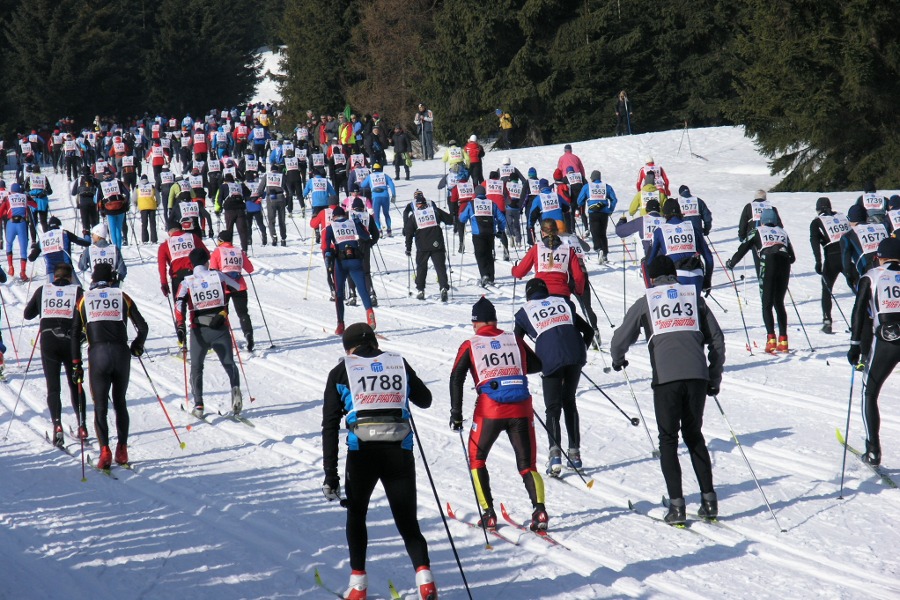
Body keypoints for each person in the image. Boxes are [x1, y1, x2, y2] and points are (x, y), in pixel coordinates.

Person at [321, 323, 438, 600]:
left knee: (357, 514)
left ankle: (358, 586)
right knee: (407, 520)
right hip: (399, 450)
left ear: (348, 348)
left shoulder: (340, 371)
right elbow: (426, 399)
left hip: (362, 452)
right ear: (374, 342)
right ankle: (425, 581)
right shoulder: (398, 363)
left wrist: (331, 475)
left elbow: (329, 425)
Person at [610, 255, 725, 524]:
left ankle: (677, 507)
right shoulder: (694, 299)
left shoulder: (647, 302)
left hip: (666, 380)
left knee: (669, 440)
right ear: (674, 274)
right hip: (697, 376)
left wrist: (618, 359)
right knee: (694, 435)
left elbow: (619, 341)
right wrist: (713, 376)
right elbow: (717, 340)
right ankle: (709, 502)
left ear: (650, 277)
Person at [450, 297, 548, 531]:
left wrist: (456, 413)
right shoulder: (513, 339)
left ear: (476, 323)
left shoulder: (470, 344)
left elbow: (456, 377)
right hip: (521, 407)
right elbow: (536, 365)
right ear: (494, 320)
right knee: (527, 465)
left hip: (490, 410)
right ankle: (540, 511)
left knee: (477, 459)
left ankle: (488, 514)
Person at [71, 263, 149, 470]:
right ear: (112, 279)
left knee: (100, 406)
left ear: (94, 281)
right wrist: (137, 345)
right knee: (120, 402)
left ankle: (105, 450)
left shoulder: (84, 299)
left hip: (98, 354)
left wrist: (76, 364)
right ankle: (122, 450)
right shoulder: (122, 296)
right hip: (121, 353)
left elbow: (74, 335)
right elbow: (143, 327)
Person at [514, 278, 593, 475]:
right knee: (569, 402)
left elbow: (516, 344)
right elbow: (589, 331)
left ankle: (555, 456)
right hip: (575, 354)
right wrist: (579, 352)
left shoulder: (525, 311)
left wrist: (528, 365)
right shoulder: (562, 302)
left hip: (549, 358)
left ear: (528, 295)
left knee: (552, 407)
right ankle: (575, 455)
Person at [847, 237, 900, 466]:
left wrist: (855, 344)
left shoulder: (872, 275)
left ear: (880, 256)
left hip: (887, 340)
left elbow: (859, 311)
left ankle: (873, 451)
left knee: (869, 392)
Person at [175, 248, 243, 417]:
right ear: (207, 262)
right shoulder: (217, 275)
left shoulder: (187, 281)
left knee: (197, 367)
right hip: (220, 326)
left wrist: (180, 325)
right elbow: (237, 285)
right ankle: (235, 392)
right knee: (229, 363)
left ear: (191, 264)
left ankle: (198, 405)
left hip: (199, 330)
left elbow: (179, 303)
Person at [25, 263, 87, 446]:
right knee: (75, 383)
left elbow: (27, 314)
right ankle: (82, 425)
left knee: (53, 387)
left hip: (49, 341)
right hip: (70, 342)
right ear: (69, 278)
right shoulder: (77, 291)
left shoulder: (42, 290)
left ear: (54, 277)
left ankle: (57, 426)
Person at [726, 208, 795, 353]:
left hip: (769, 262)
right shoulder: (783, 232)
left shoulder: (757, 231)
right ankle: (783, 341)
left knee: (767, 303)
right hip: (784, 263)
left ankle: (771, 340)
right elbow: (792, 257)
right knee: (779, 303)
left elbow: (743, 248)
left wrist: (732, 263)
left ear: (762, 220)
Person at [647, 199, 714, 297]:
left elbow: (650, 261)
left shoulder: (660, 230)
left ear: (664, 214)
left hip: (677, 275)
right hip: (697, 274)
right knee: (696, 308)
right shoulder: (693, 228)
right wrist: (707, 280)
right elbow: (709, 258)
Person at [326, 207, 376, 334]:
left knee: (339, 293)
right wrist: (359, 223)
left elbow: (326, 246)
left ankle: (340, 324)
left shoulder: (331, 227)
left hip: (340, 262)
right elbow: (366, 236)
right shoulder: (352, 222)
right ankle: (370, 314)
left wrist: (328, 258)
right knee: (362, 289)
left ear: (334, 217)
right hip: (355, 260)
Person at [512, 219, 586, 300]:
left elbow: (520, 272)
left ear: (542, 232)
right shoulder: (568, 249)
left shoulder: (536, 248)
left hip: (541, 293)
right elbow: (579, 276)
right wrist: (578, 291)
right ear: (557, 231)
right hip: (562, 294)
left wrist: (514, 270)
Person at [810, 196, 851, 333]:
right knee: (859, 288)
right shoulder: (842, 216)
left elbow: (814, 242)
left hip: (831, 258)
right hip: (847, 256)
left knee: (827, 290)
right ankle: (868, 316)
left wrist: (818, 261)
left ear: (818, 209)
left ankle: (827, 322)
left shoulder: (817, 222)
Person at [209, 230, 255, 351]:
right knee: (243, 313)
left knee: (222, 313)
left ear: (221, 241)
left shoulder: (217, 251)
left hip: (223, 287)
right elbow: (250, 269)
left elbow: (212, 270)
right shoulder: (238, 251)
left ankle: (223, 339)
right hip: (239, 286)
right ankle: (248, 334)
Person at [403, 190, 453, 302]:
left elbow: (408, 233)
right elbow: (450, 220)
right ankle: (443, 287)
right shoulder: (435, 212)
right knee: (440, 267)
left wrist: (408, 248)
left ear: (417, 205)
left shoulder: (414, 216)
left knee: (421, 268)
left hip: (422, 246)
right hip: (437, 244)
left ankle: (421, 290)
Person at [459, 185, 506, 286]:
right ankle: (491, 277)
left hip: (478, 233)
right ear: (485, 193)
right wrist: (500, 230)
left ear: (475, 194)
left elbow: (462, 218)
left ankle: (484, 275)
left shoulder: (471, 204)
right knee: (489, 254)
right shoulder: (492, 204)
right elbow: (502, 219)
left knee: (480, 254)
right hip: (490, 233)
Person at [158, 221, 209, 302]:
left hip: (178, 277)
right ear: (182, 229)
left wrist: (164, 283)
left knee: (180, 305)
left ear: (169, 232)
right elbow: (206, 254)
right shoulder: (192, 237)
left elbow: (162, 266)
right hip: (194, 274)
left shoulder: (164, 245)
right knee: (198, 304)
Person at [576, 170, 618, 263]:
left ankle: (599, 249)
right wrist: (610, 209)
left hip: (593, 212)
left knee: (595, 232)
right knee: (603, 233)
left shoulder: (587, 187)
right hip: (604, 213)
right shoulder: (606, 187)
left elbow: (579, 200)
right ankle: (605, 254)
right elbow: (614, 199)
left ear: (592, 178)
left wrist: (582, 203)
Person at [1, 183, 34, 280]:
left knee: (9, 244)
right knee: (23, 248)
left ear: (11, 190)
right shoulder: (24, 196)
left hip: (11, 223)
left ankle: (11, 268)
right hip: (22, 224)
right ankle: (23, 272)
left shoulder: (8, 198)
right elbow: (35, 205)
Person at [360, 163, 396, 236]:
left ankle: (379, 230)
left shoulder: (370, 176)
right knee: (386, 213)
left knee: (376, 214)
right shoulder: (384, 175)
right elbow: (392, 184)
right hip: (385, 195)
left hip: (376, 196)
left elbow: (363, 185)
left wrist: (363, 181)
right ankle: (389, 229)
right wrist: (393, 195)